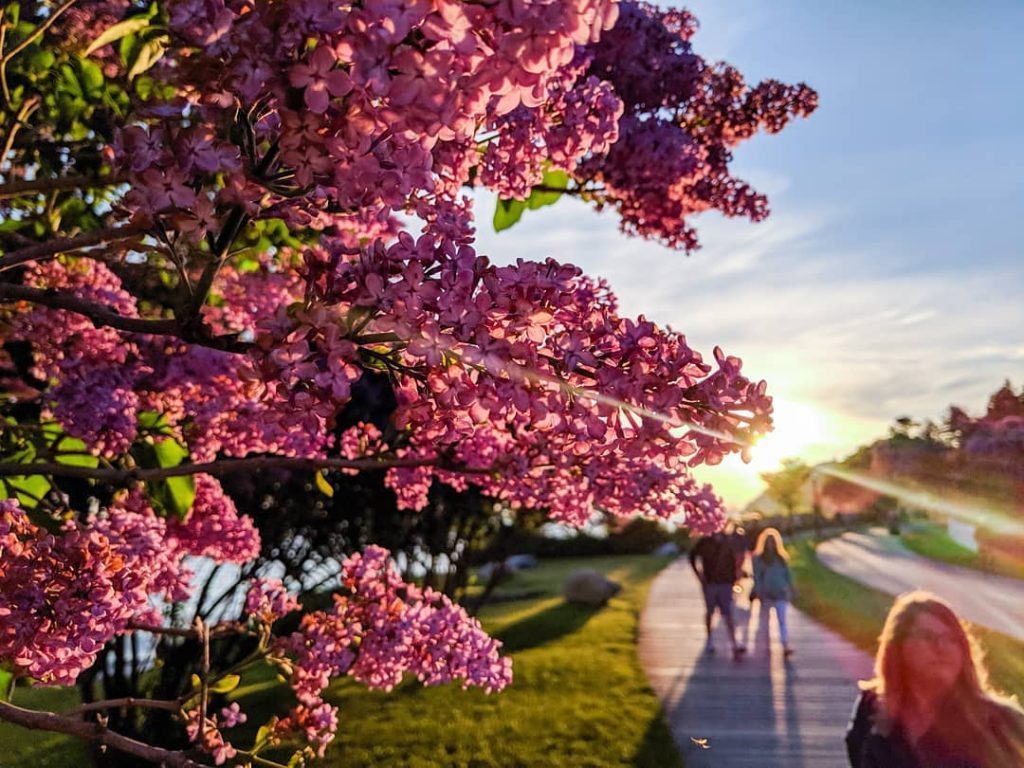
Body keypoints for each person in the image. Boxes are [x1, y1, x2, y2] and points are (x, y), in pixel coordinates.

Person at [846, 591, 1024, 767]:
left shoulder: (1001, 722)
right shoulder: (871, 709)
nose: (941, 647)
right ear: (898, 647)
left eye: (951, 639)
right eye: (927, 637)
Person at [689, 529, 746, 659]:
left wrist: (735, 578)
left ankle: (734, 643)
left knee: (728, 613)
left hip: (725, 583)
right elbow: (692, 556)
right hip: (710, 584)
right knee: (710, 611)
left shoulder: (728, 540)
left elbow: (734, 559)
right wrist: (699, 575)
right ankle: (709, 639)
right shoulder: (705, 541)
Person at [751, 527, 795, 657]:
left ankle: (785, 645)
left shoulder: (781, 558)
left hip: (780, 592)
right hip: (766, 593)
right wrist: (758, 591)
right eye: (768, 542)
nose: (770, 544)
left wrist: (790, 588)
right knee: (765, 622)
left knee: (782, 621)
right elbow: (757, 577)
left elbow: (787, 575)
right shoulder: (758, 559)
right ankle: (766, 646)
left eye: (772, 542)